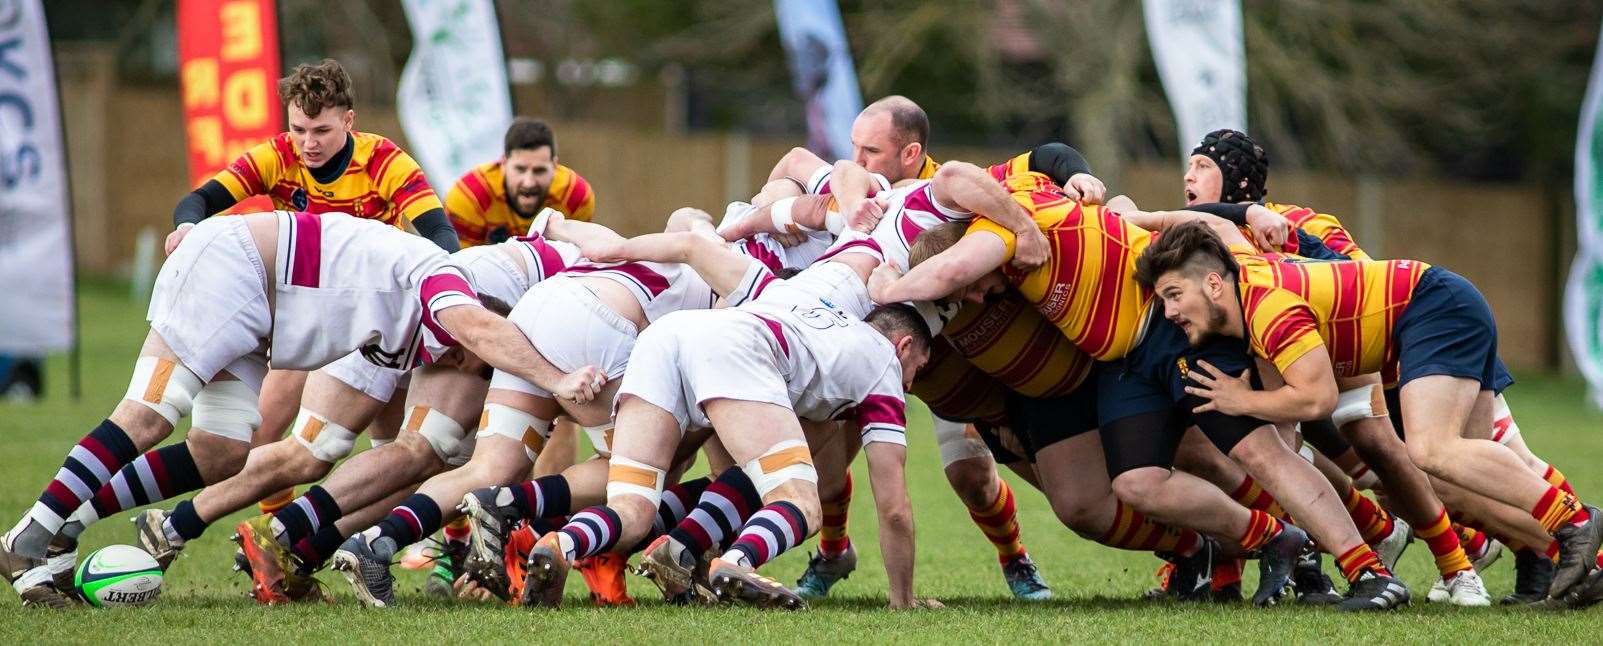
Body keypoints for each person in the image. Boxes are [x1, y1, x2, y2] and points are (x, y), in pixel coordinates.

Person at [0, 209, 594, 608]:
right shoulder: (445, 285)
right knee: (152, 413)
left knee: (222, 451)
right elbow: (477, 323)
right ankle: (28, 537)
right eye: (482, 364)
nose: (474, 376)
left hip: (269, 317)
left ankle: (65, 529)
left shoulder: (435, 322)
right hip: (235, 271)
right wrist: (558, 377)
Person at [1131, 216, 1603, 608]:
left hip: (1433, 307)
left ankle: (1577, 522)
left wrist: (1241, 400)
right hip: (1443, 302)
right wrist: (1136, 218)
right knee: (1467, 476)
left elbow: (1316, 400)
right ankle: (1587, 564)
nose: (1170, 312)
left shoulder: (1266, 308)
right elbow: (1212, 223)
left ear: (1214, 284)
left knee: (1431, 449)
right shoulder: (1246, 289)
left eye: (1174, 295)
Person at [521, 228, 931, 610]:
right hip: (736, 350)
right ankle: (736, 561)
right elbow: (893, 506)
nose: (912, 385)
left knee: (633, 508)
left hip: (668, 336)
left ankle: (562, 544)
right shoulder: (884, 368)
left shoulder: (798, 288)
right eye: (918, 368)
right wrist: (904, 599)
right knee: (800, 503)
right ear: (904, 345)